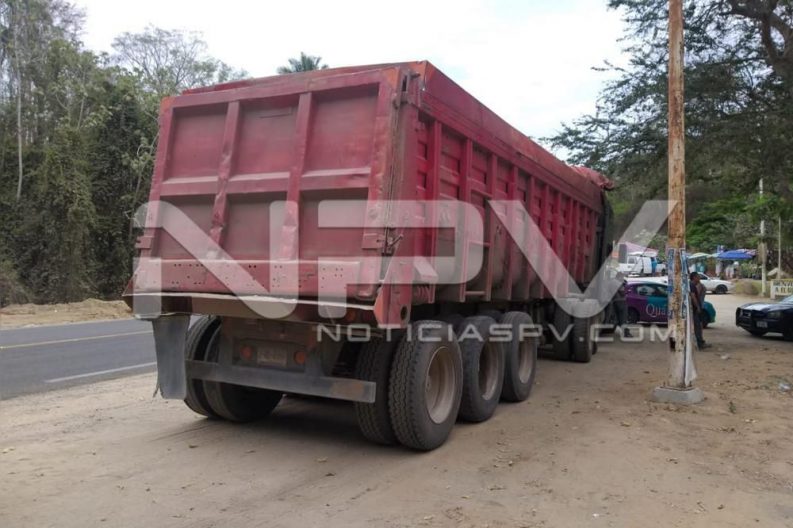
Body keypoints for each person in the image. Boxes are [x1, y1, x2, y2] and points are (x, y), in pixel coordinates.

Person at [689, 272, 709, 349]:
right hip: (694, 310)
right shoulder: (692, 285)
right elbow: (693, 296)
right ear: (694, 277)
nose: (699, 278)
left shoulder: (692, 285)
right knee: (698, 326)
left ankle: (700, 342)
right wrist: (697, 307)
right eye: (698, 277)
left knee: (698, 326)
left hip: (694, 309)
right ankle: (700, 343)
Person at [613, 272, 632, 338]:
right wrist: (625, 287)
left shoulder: (612, 282)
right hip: (620, 301)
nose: (622, 278)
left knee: (618, 318)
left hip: (615, 301)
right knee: (623, 318)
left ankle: (624, 331)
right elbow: (622, 292)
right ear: (619, 277)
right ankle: (626, 333)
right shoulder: (617, 283)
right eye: (622, 277)